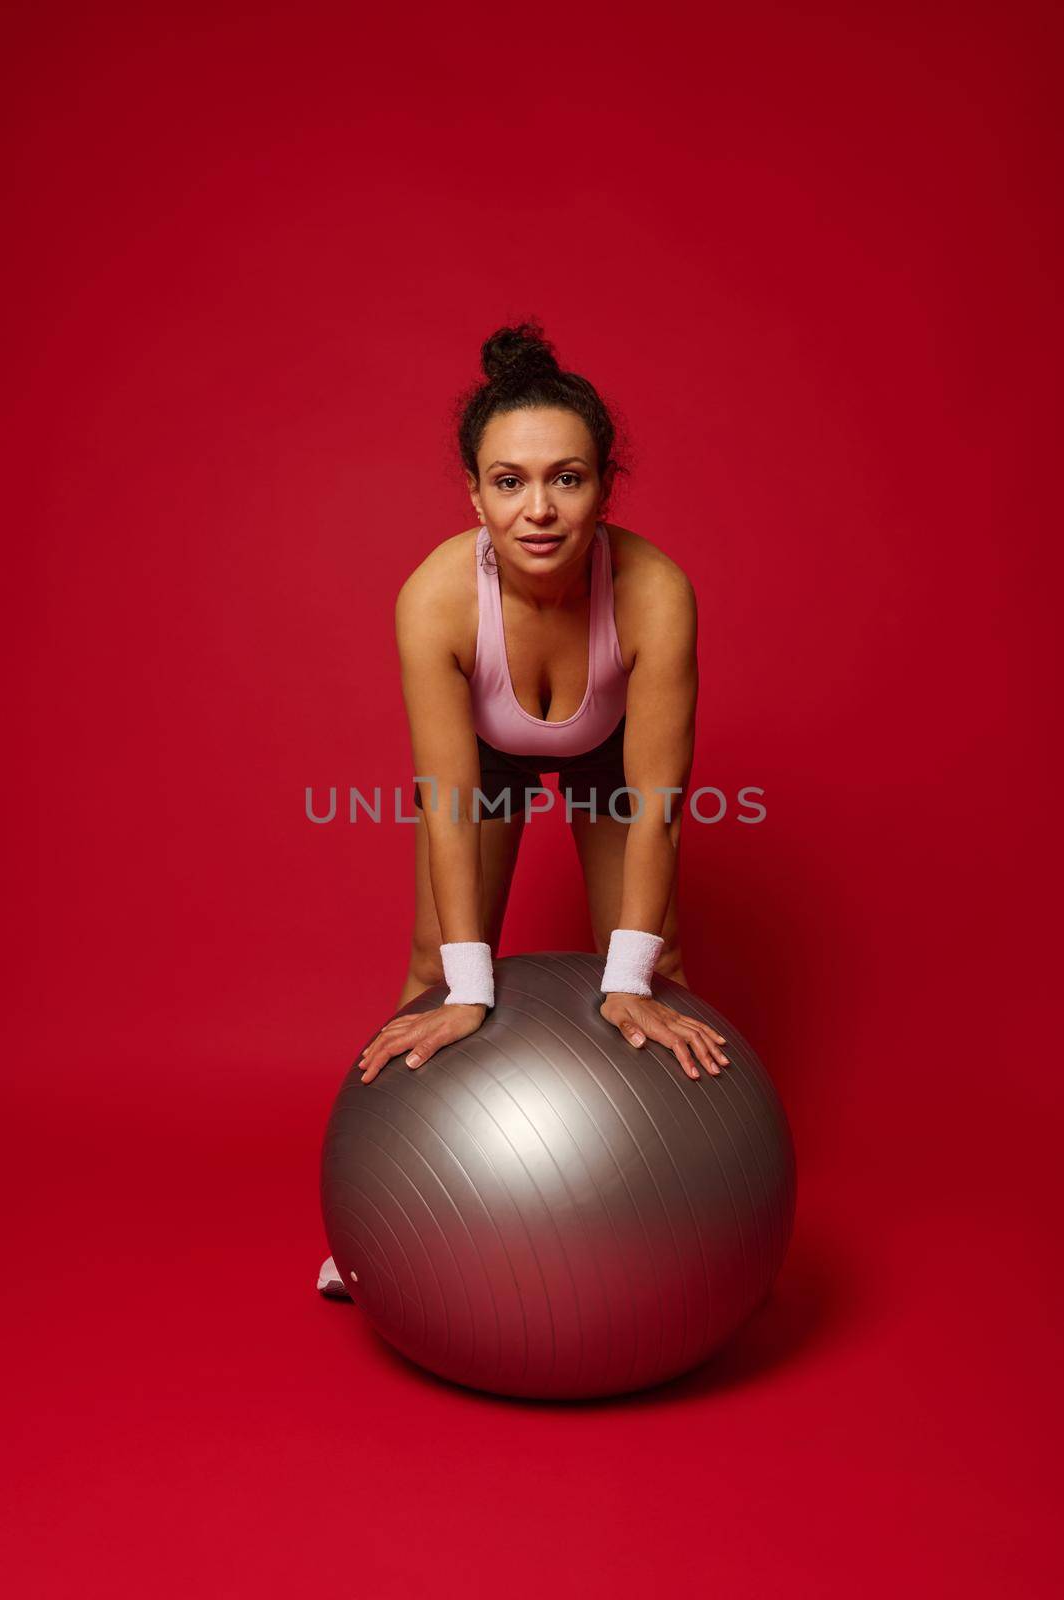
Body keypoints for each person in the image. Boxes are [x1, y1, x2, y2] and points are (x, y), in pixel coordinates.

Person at [317, 320, 729, 1298]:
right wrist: (465, 988)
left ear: (603, 486)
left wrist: (628, 974)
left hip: (609, 755)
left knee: (655, 968)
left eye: (567, 478)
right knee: (435, 971)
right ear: (473, 493)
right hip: (488, 759)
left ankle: (693, 1221)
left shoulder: (656, 593)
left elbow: (662, 806)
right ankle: (380, 1230)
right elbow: (449, 801)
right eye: (509, 481)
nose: (538, 509)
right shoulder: (435, 600)